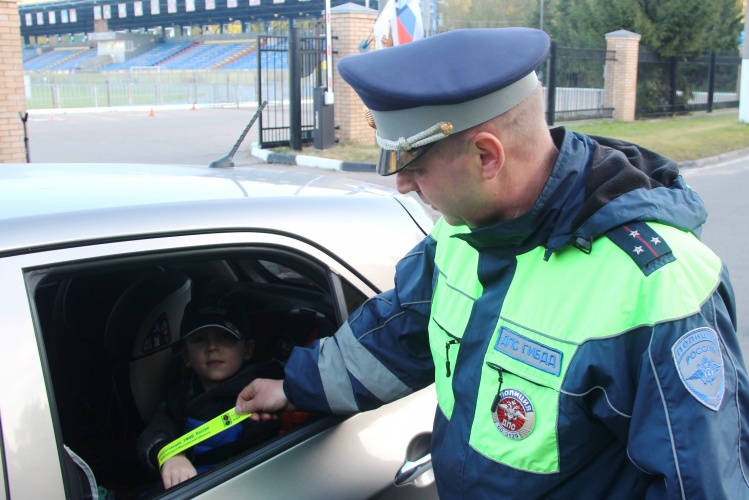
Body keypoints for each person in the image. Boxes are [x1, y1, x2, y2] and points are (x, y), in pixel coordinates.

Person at [236, 27, 749, 498]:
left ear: (487, 156)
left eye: (413, 164)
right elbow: (398, 332)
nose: (402, 184)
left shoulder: (660, 287)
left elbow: (701, 481)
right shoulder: (462, 230)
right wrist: (294, 387)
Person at [137, 292, 282, 490]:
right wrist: (171, 455)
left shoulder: (262, 396)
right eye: (199, 339)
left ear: (248, 350)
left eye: (225, 337)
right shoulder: (179, 396)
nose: (212, 347)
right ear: (186, 356)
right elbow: (155, 431)